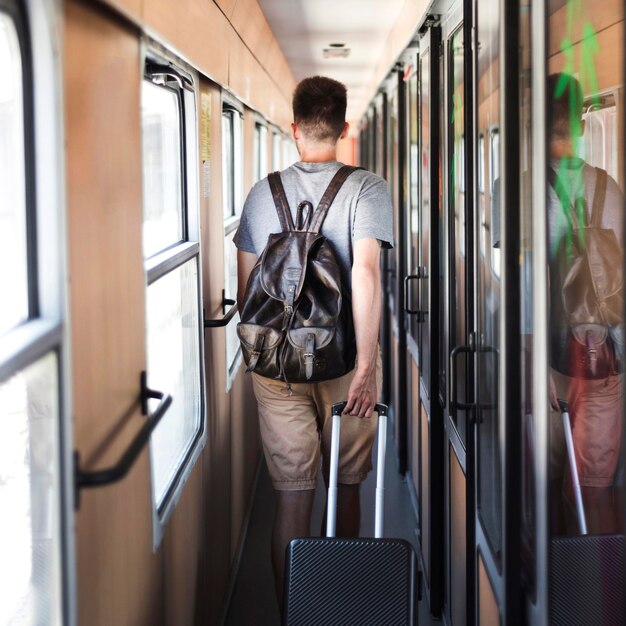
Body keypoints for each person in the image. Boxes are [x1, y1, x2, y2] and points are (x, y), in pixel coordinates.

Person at [233, 75, 393, 605]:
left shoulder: (262, 194)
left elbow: (247, 288)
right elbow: (365, 274)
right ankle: (341, 607)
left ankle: (292, 615)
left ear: (295, 129)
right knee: (345, 487)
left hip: (275, 368)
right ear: (345, 128)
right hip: (346, 364)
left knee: (291, 501)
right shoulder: (366, 187)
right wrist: (367, 365)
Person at [546, 72, 624, 535]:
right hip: (601, 353)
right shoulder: (609, 189)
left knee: (546, 473)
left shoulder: (520, 189)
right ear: (579, 123)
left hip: (544, 360)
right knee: (593, 482)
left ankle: (546, 578)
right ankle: (585, 572)